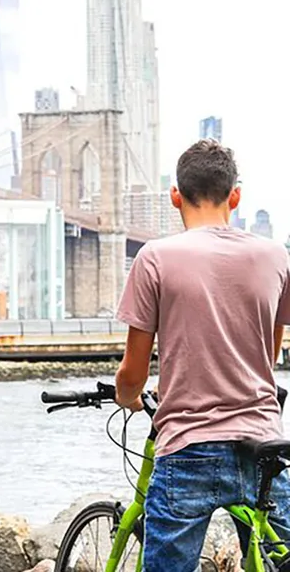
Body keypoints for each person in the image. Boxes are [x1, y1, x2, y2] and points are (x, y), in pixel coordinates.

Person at [114, 139, 290, 571]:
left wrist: (127, 396)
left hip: (189, 447)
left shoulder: (155, 258)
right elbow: (268, 352)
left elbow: (133, 370)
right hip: (264, 445)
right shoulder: (275, 257)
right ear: (236, 195)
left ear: (176, 195)